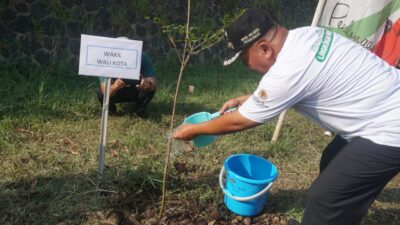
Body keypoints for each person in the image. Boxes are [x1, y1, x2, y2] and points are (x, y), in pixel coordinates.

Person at [172, 8, 400, 225]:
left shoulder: (289, 70)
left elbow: (240, 120)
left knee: (327, 198)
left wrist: (193, 130)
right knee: (331, 160)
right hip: (384, 108)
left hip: (389, 128)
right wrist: (250, 98)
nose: (248, 67)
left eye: (245, 59)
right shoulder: (307, 35)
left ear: (264, 49)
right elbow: (300, 83)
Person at [97, 47, 157, 117]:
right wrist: (114, 87)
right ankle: (110, 110)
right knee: (101, 93)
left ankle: (139, 111)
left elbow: (153, 84)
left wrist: (147, 84)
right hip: (116, 92)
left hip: (136, 90)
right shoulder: (105, 62)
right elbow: (105, 91)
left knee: (150, 90)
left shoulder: (142, 58)